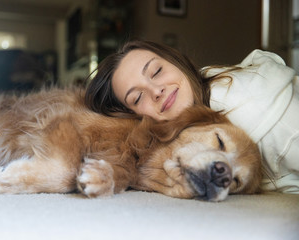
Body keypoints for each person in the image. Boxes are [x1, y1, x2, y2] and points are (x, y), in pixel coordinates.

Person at [85, 40, 299, 194]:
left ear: (177, 62)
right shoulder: (195, 110)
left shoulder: (257, 109)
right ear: (135, 118)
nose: (156, 90)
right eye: (138, 97)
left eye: (157, 71)